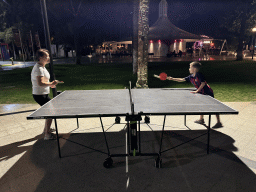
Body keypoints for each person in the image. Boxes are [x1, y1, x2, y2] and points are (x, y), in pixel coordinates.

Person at [166, 61, 222, 128]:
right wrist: (172, 78)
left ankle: (219, 122)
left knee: (213, 107)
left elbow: (203, 83)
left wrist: (197, 91)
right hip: (201, 93)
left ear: (194, 69)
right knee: (201, 105)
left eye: (190, 67)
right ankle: (201, 119)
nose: (189, 69)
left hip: (208, 92)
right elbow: (181, 79)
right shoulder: (191, 77)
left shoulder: (199, 75)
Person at [31, 49, 59, 140]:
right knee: (51, 112)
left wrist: (50, 84)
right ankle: (47, 134)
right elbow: (40, 83)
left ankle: (46, 130)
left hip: (43, 94)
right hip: (39, 95)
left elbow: (44, 82)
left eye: (48, 56)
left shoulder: (42, 67)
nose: (48, 58)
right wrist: (51, 84)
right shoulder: (39, 69)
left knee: (49, 112)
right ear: (40, 58)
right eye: (46, 56)